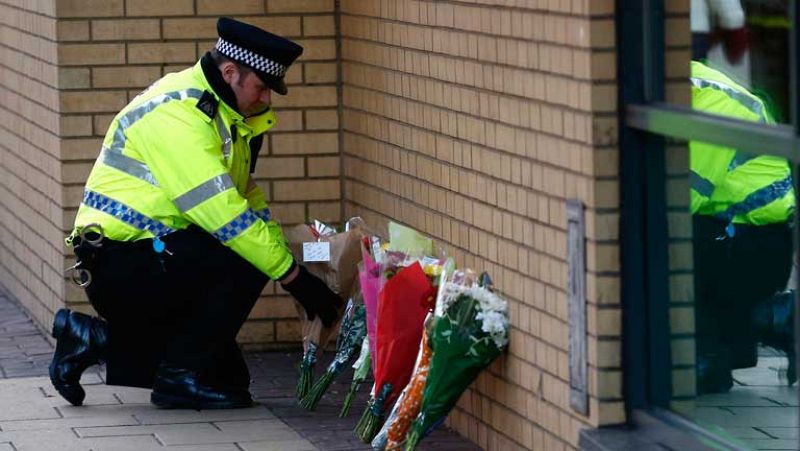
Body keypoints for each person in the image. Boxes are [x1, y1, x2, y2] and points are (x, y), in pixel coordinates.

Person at [49, 17, 343, 410]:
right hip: (121, 264)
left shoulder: (226, 116)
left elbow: (247, 202)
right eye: (261, 87)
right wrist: (294, 279)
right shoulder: (181, 115)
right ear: (229, 72)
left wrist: (290, 261)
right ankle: (174, 378)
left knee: (231, 383)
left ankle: (92, 340)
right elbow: (226, 218)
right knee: (243, 257)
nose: (267, 100)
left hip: (157, 255)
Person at [690, 60, 795, 394]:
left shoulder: (709, 106)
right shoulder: (690, 88)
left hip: (756, 246)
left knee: (662, 243)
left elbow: (674, 205)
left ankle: (708, 357)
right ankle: (771, 321)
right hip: (745, 238)